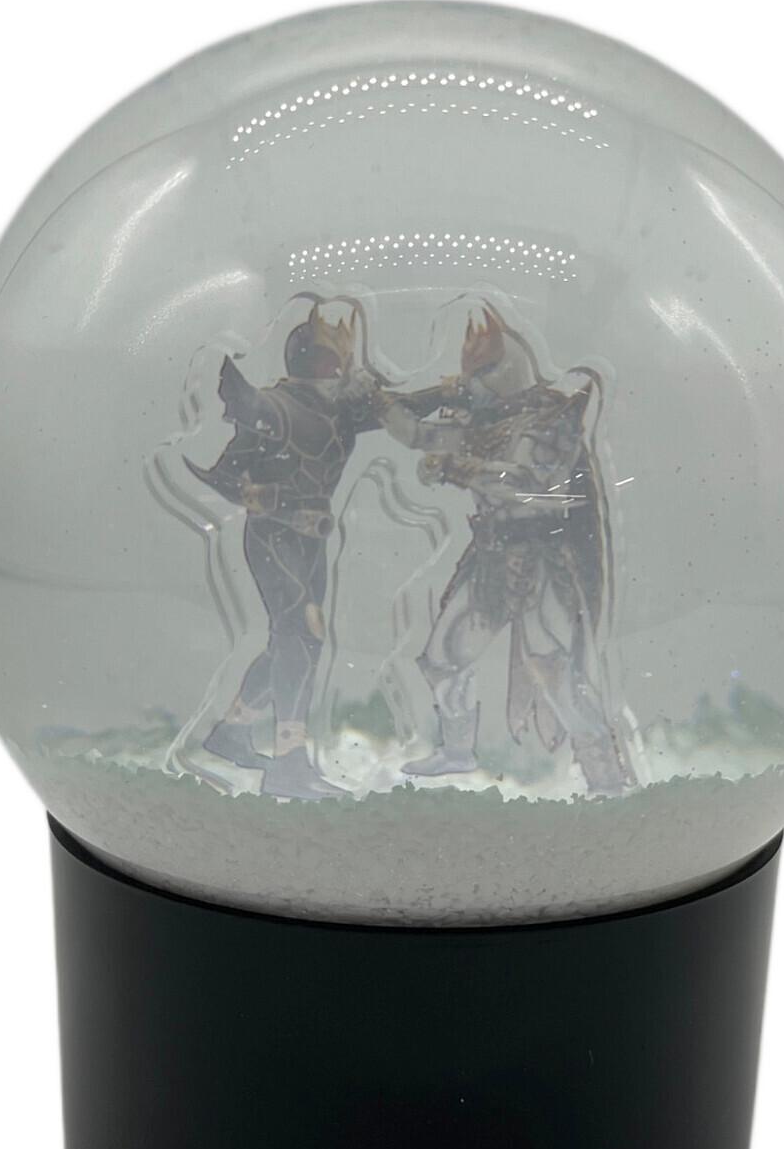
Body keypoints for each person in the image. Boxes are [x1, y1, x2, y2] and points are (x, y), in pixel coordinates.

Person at [186, 303, 446, 799]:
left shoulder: (338, 410)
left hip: (312, 540)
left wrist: (454, 392)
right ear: (318, 361)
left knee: (296, 642)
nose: (347, 366)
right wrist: (269, 500)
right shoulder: (272, 409)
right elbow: (223, 476)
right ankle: (289, 762)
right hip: (275, 537)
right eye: (337, 358)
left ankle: (233, 730)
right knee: (300, 637)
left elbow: (404, 407)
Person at [402, 308, 633, 796]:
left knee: (556, 672)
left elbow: (533, 487)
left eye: (481, 371)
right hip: (490, 555)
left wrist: (457, 468)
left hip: (544, 559)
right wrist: (380, 400)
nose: (473, 384)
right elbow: (416, 435)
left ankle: (607, 778)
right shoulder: (478, 423)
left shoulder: (553, 420)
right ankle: (457, 750)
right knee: (443, 655)